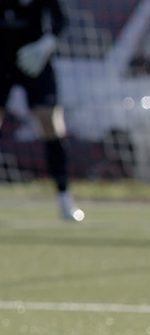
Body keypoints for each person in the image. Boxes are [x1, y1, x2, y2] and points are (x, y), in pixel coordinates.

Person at [1, 0, 82, 221]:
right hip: (1, 57)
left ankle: (64, 198)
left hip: (35, 57)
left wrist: (45, 45)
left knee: (50, 123)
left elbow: (61, 20)